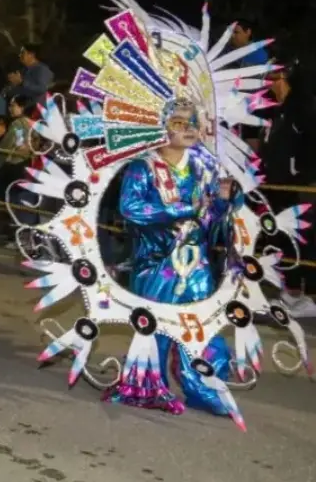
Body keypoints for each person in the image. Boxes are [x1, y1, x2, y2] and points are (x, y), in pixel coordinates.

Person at [103, 99, 234, 415]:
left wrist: (222, 202)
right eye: (178, 122)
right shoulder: (142, 167)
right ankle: (149, 385)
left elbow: (208, 219)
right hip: (156, 262)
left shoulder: (202, 168)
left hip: (196, 262)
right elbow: (130, 208)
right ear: (161, 127)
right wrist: (182, 208)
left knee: (202, 324)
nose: (187, 129)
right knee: (158, 328)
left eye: (192, 122)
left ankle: (205, 388)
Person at [259, 58, 316, 316]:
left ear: (283, 76)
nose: (266, 81)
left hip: (299, 187)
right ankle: (292, 291)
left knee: (306, 238)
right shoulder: (275, 110)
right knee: (283, 237)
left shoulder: (303, 109)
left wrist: (303, 173)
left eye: (270, 75)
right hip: (277, 185)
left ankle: (311, 297)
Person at [229, 22, 271, 152]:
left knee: (252, 144)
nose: (233, 37)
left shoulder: (256, 54)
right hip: (247, 106)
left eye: (237, 32)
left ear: (248, 32)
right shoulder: (247, 53)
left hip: (252, 106)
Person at [7, 43, 54, 113]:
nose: (19, 55)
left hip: (37, 111)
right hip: (24, 110)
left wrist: (22, 82)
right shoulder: (24, 70)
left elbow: (42, 89)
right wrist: (13, 85)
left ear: (32, 54)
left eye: (23, 53)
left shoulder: (42, 69)